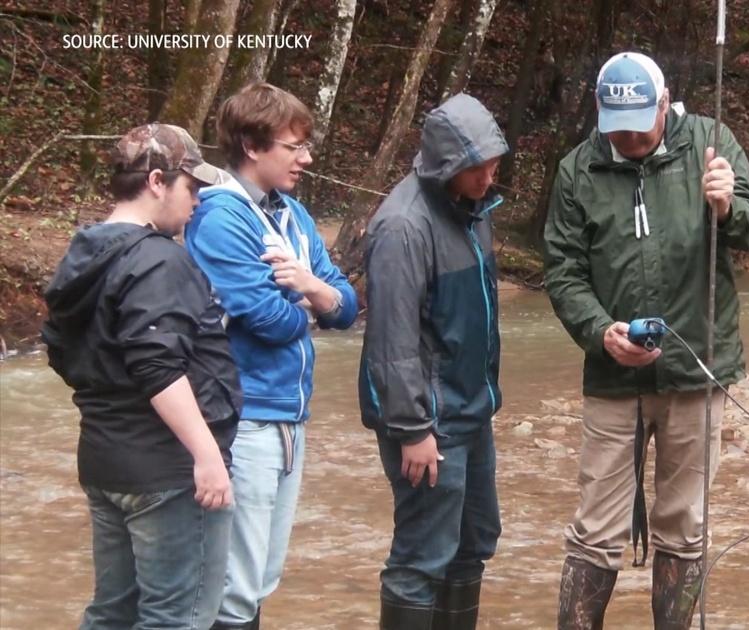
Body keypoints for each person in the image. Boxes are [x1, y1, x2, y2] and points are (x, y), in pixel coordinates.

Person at [543, 52, 749, 629]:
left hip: (698, 371)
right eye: (618, 129)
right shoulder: (578, 169)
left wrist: (727, 204)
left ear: (665, 103)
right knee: (594, 529)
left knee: (685, 524)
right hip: (614, 377)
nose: (632, 139)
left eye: (642, 125)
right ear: (599, 112)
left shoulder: (712, 142)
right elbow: (564, 272)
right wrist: (600, 332)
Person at [42, 123, 241, 629]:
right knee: (178, 617)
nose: (197, 202)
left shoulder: (83, 255)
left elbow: (62, 353)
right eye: (192, 188)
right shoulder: (158, 260)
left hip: (106, 461)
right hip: (168, 473)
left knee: (113, 613)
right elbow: (157, 366)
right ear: (157, 181)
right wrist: (207, 455)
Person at [184, 83, 358, 629]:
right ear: (253, 146)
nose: (305, 159)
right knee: (232, 584)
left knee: (262, 576)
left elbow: (347, 304)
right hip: (244, 415)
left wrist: (308, 285)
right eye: (293, 147)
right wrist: (309, 302)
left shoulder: (295, 216)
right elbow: (270, 320)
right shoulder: (219, 219)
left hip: (289, 413)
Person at [358, 93, 508, 630]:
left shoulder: (472, 210)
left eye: (494, 163)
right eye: (478, 167)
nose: (489, 176)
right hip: (427, 421)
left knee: (473, 542)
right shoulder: (403, 227)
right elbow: (391, 341)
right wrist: (413, 428)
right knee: (422, 558)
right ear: (447, 164)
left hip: (470, 411)